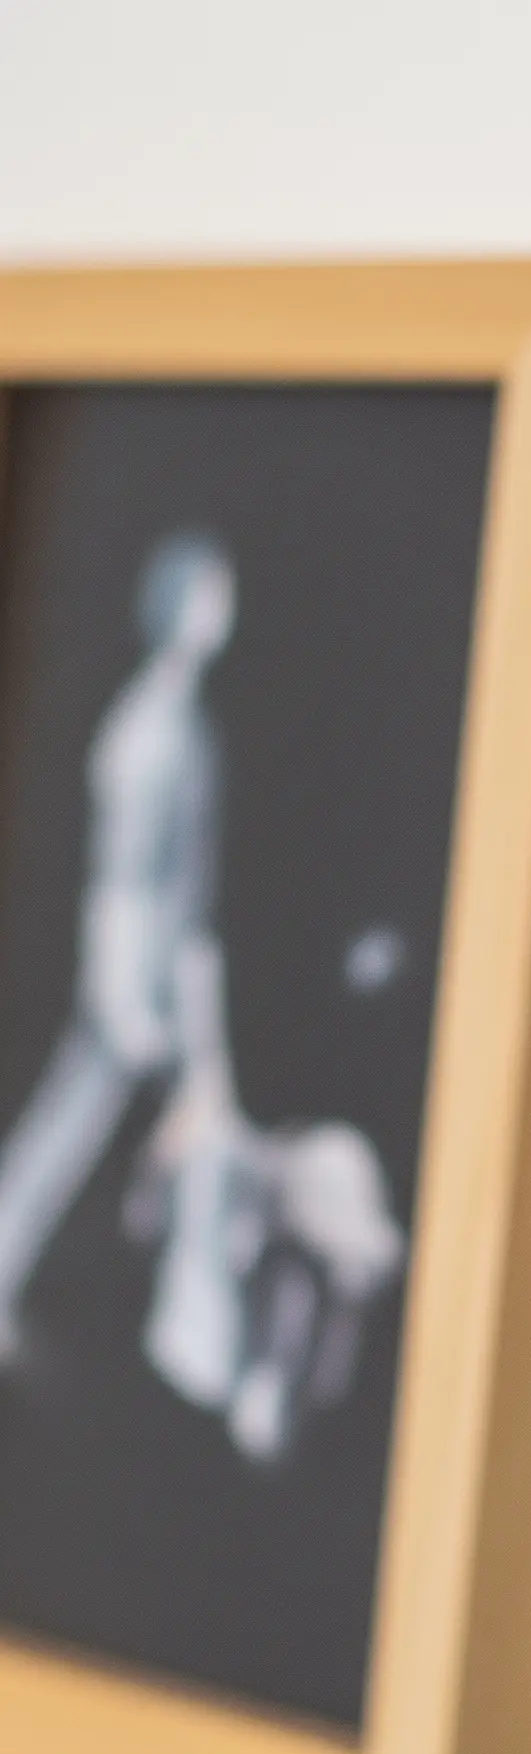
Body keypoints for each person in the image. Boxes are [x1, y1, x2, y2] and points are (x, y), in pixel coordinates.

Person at [0, 531, 235, 1354]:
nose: (222, 606)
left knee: (133, 1135)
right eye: (209, 591)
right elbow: (123, 877)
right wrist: (122, 993)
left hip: (164, 974)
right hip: (132, 979)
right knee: (69, 1132)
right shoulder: (148, 735)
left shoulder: (180, 724)